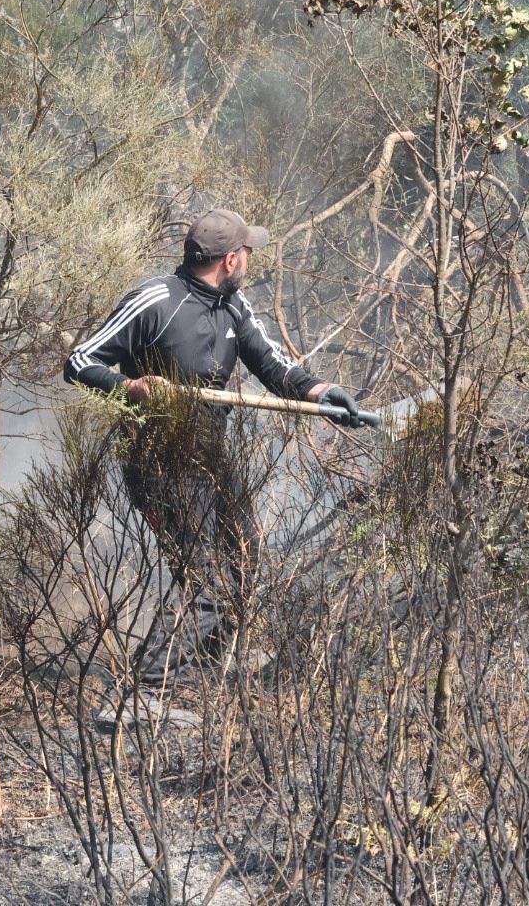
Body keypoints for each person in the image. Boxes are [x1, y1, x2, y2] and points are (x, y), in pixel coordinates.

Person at [63, 207, 366, 728]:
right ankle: (139, 694)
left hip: (211, 457)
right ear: (231, 259)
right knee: (206, 577)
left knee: (245, 563)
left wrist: (321, 393)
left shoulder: (234, 305)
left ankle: (200, 676)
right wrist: (127, 388)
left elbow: (272, 366)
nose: (249, 258)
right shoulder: (153, 300)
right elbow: (79, 360)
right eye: (247, 251)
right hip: (159, 461)